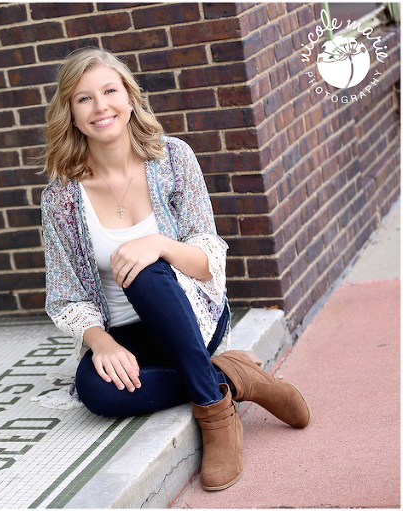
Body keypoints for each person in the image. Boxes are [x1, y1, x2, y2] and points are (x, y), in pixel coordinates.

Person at [39, 47, 311, 492]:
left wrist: (159, 243)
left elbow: (207, 263)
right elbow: (67, 294)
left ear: (130, 99)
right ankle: (234, 376)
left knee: (144, 269)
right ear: (69, 112)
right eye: (83, 98)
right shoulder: (62, 198)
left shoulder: (173, 159)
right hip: (127, 333)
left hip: (190, 313)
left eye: (110, 91)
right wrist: (102, 342)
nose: (100, 106)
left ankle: (214, 411)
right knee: (95, 390)